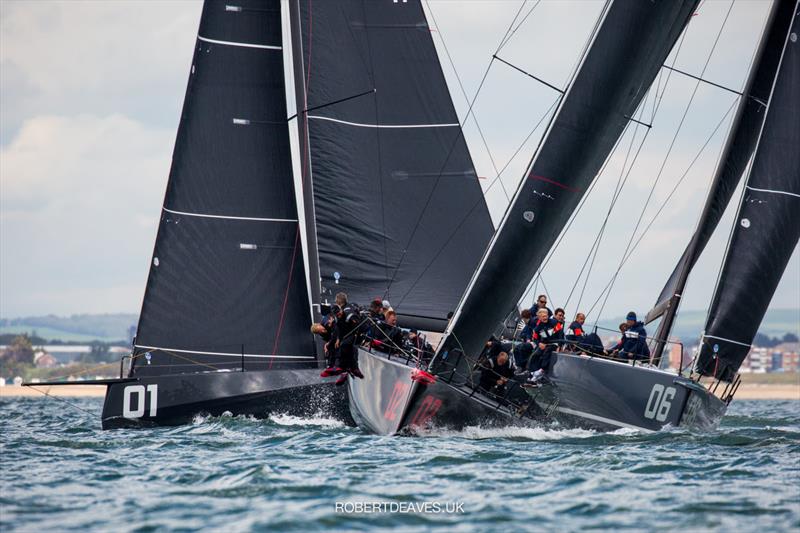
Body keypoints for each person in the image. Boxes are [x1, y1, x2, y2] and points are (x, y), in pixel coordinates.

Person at [527, 307, 562, 384]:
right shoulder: (538, 328)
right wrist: (539, 343)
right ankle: (532, 372)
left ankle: (542, 370)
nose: (545, 318)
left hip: (554, 343)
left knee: (547, 351)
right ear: (539, 318)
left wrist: (559, 346)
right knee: (535, 354)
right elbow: (535, 338)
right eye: (543, 317)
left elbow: (560, 334)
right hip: (544, 343)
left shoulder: (554, 323)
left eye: (546, 316)